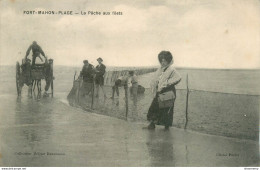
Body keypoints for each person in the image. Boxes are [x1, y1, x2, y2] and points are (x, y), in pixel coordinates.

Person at [145, 51, 181, 130]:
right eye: (161, 61)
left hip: (168, 92)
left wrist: (167, 83)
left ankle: (166, 127)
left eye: (164, 61)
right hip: (160, 91)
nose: (162, 62)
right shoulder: (160, 69)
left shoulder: (172, 70)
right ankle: (152, 124)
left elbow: (178, 78)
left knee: (166, 110)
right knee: (154, 108)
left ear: (168, 60)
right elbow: (156, 79)